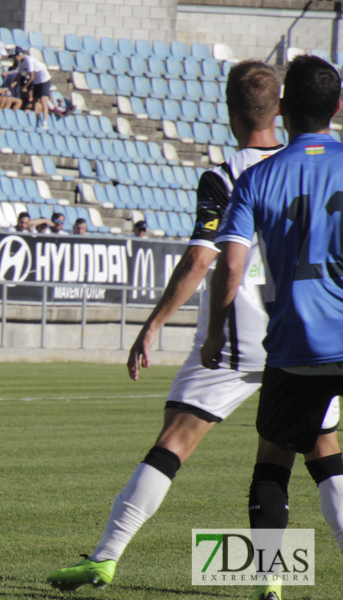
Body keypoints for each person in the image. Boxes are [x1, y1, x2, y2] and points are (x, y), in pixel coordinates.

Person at [47, 60, 286, 593]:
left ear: (228, 112)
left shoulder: (226, 175)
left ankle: (105, 558)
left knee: (176, 439)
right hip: (304, 326)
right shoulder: (315, 166)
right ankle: (271, 583)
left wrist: (153, 325)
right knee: (308, 451)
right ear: (281, 108)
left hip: (238, 327)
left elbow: (203, 260)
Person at [200, 55, 343, 600]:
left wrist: (216, 333)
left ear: (282, 110)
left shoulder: (259, 176)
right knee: (326, 450)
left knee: (274, 455)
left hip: (295, 342)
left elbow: (231, 265)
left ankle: (270, 578)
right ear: (337, 106)